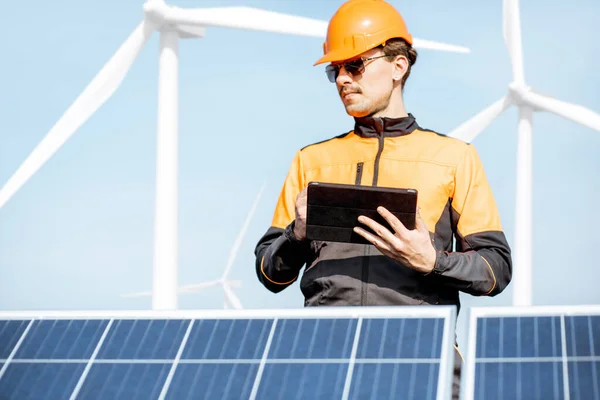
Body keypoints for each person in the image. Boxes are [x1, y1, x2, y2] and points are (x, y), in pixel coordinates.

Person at [253, 0, 512, 398]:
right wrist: (296, 234)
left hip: (422, 354)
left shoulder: (455, 158)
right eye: (334, 70)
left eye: (354, 64)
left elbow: (495, 269)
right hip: (322, 357)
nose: (342, 79)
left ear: (398, 66)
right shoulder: (311, 160)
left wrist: (432, 262)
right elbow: (271, 273)